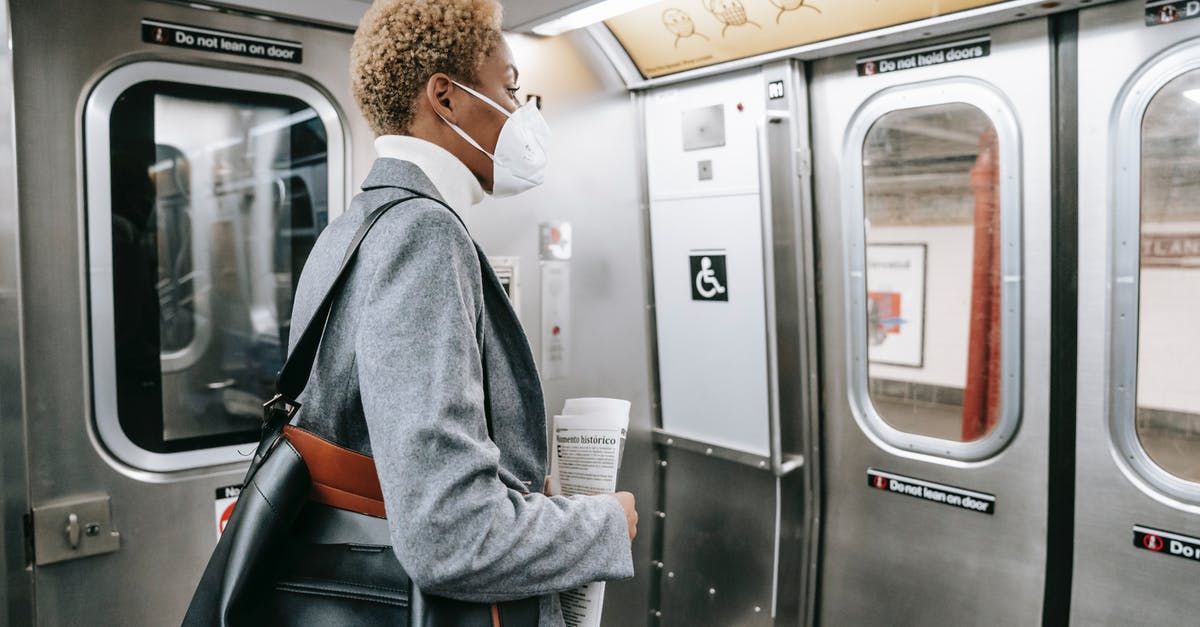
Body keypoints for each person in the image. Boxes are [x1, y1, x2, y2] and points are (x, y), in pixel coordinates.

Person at [286, 0, 638, 624]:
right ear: (444, 97)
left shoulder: (355, 227)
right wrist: (601, 524)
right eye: (511, 88)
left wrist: (518, 489)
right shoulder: (423, 234)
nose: (524, 114)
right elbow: (449, 537)